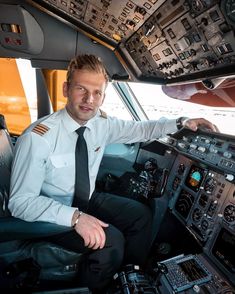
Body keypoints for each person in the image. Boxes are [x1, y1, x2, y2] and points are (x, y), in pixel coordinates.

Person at [8, 54, 218, 292]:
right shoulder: (38, 138)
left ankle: (131, 280)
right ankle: (96, 289)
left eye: (97, 92)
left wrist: (181, 122)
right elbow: (20, 203)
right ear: (66, 89)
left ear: (103, 96)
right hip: (54, 211)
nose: (89, 99)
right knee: (112, 240)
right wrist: (75, 218)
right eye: (81, 89)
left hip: (86, 199)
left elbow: (139, 129)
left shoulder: (100, 123)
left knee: (140, 215)